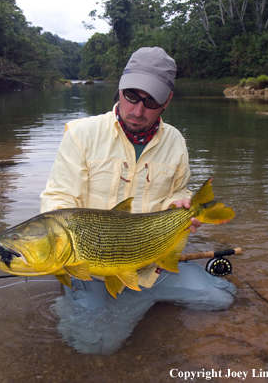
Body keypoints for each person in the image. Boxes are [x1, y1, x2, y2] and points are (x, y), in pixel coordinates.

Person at [41, 47, 237, 355]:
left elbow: (178, 191)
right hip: (94, 271)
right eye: (132, 95)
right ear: (119, 88)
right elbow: (59, 197)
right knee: (93, 346)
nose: (138, 109)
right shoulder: (81, 134)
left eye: (151, 101)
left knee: (222, 298)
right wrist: (59, 243)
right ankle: (87, 296)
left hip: (154, 266)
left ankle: (140, 299)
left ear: (167, 101)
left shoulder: (176, 141)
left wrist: (180, 205)